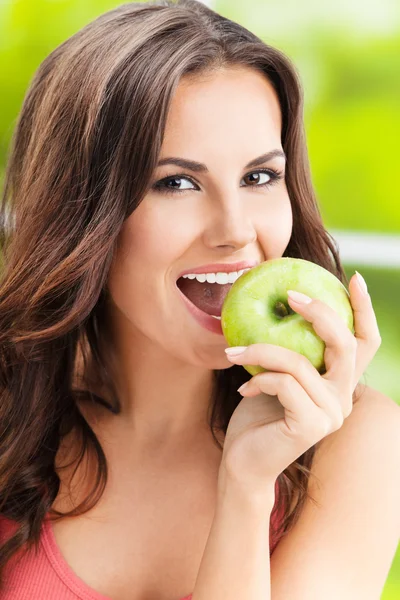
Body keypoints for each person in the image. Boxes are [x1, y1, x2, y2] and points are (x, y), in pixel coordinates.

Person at [0, 1, 399, 599]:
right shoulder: (13, 411)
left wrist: (246, 484)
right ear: (81, 211)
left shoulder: (354, 442)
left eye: (259, 177)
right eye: (176, 183)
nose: (234, 230)